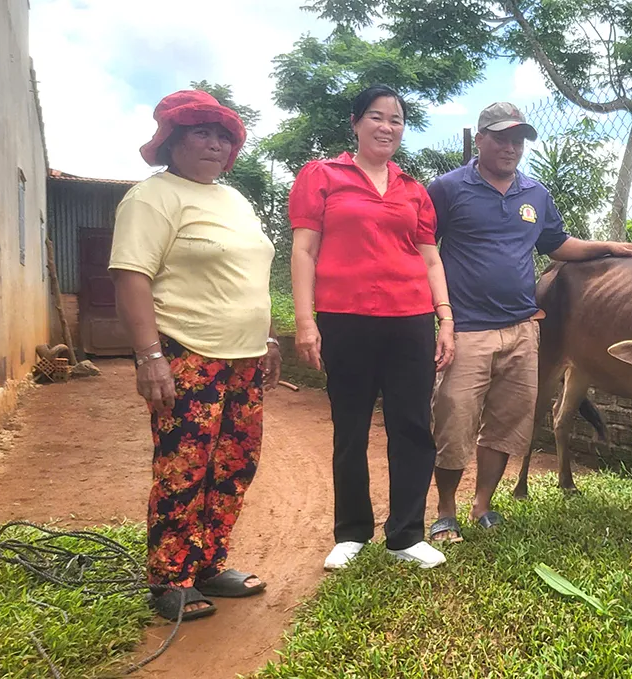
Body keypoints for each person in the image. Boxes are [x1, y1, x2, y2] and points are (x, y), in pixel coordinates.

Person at [427, 102, 632, 543]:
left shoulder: (535, 194)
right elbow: (424, 250)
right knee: (454, 421)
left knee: (509, 423)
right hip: (468, 328)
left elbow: (557, 245)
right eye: (501, 138)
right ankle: (445, 510)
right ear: (480, 140)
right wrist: (439, 315)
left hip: (524, 328)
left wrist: (610, 247)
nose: (510, 147)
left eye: (518, 140)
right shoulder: (448, 189)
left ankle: (484, 505)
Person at [109, 89, 281, 621]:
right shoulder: (151, 197)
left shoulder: (234, 199)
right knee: (184, 466)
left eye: (223, 136)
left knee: (234, 463)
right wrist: (148, 356)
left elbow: (251, 275)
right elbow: (131, 276)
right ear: (173, 141)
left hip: (244, 358)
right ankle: (169, 577)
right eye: (201, 133)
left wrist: (269, 337)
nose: (214, 144)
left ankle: (208, 563)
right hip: (187, 353)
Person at [288, 85, 455, 571]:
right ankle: (351, 531)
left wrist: (445, 318)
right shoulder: (322, 176)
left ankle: (406, 534)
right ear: (356, 123)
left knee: (411, 427)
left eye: (396, 120)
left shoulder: (413, 191)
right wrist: (305, 320)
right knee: (351, 426)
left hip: (410, 322)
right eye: (377, 117)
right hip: (346, 320)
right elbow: (304, 250)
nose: (387, 127)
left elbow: (430, 258)